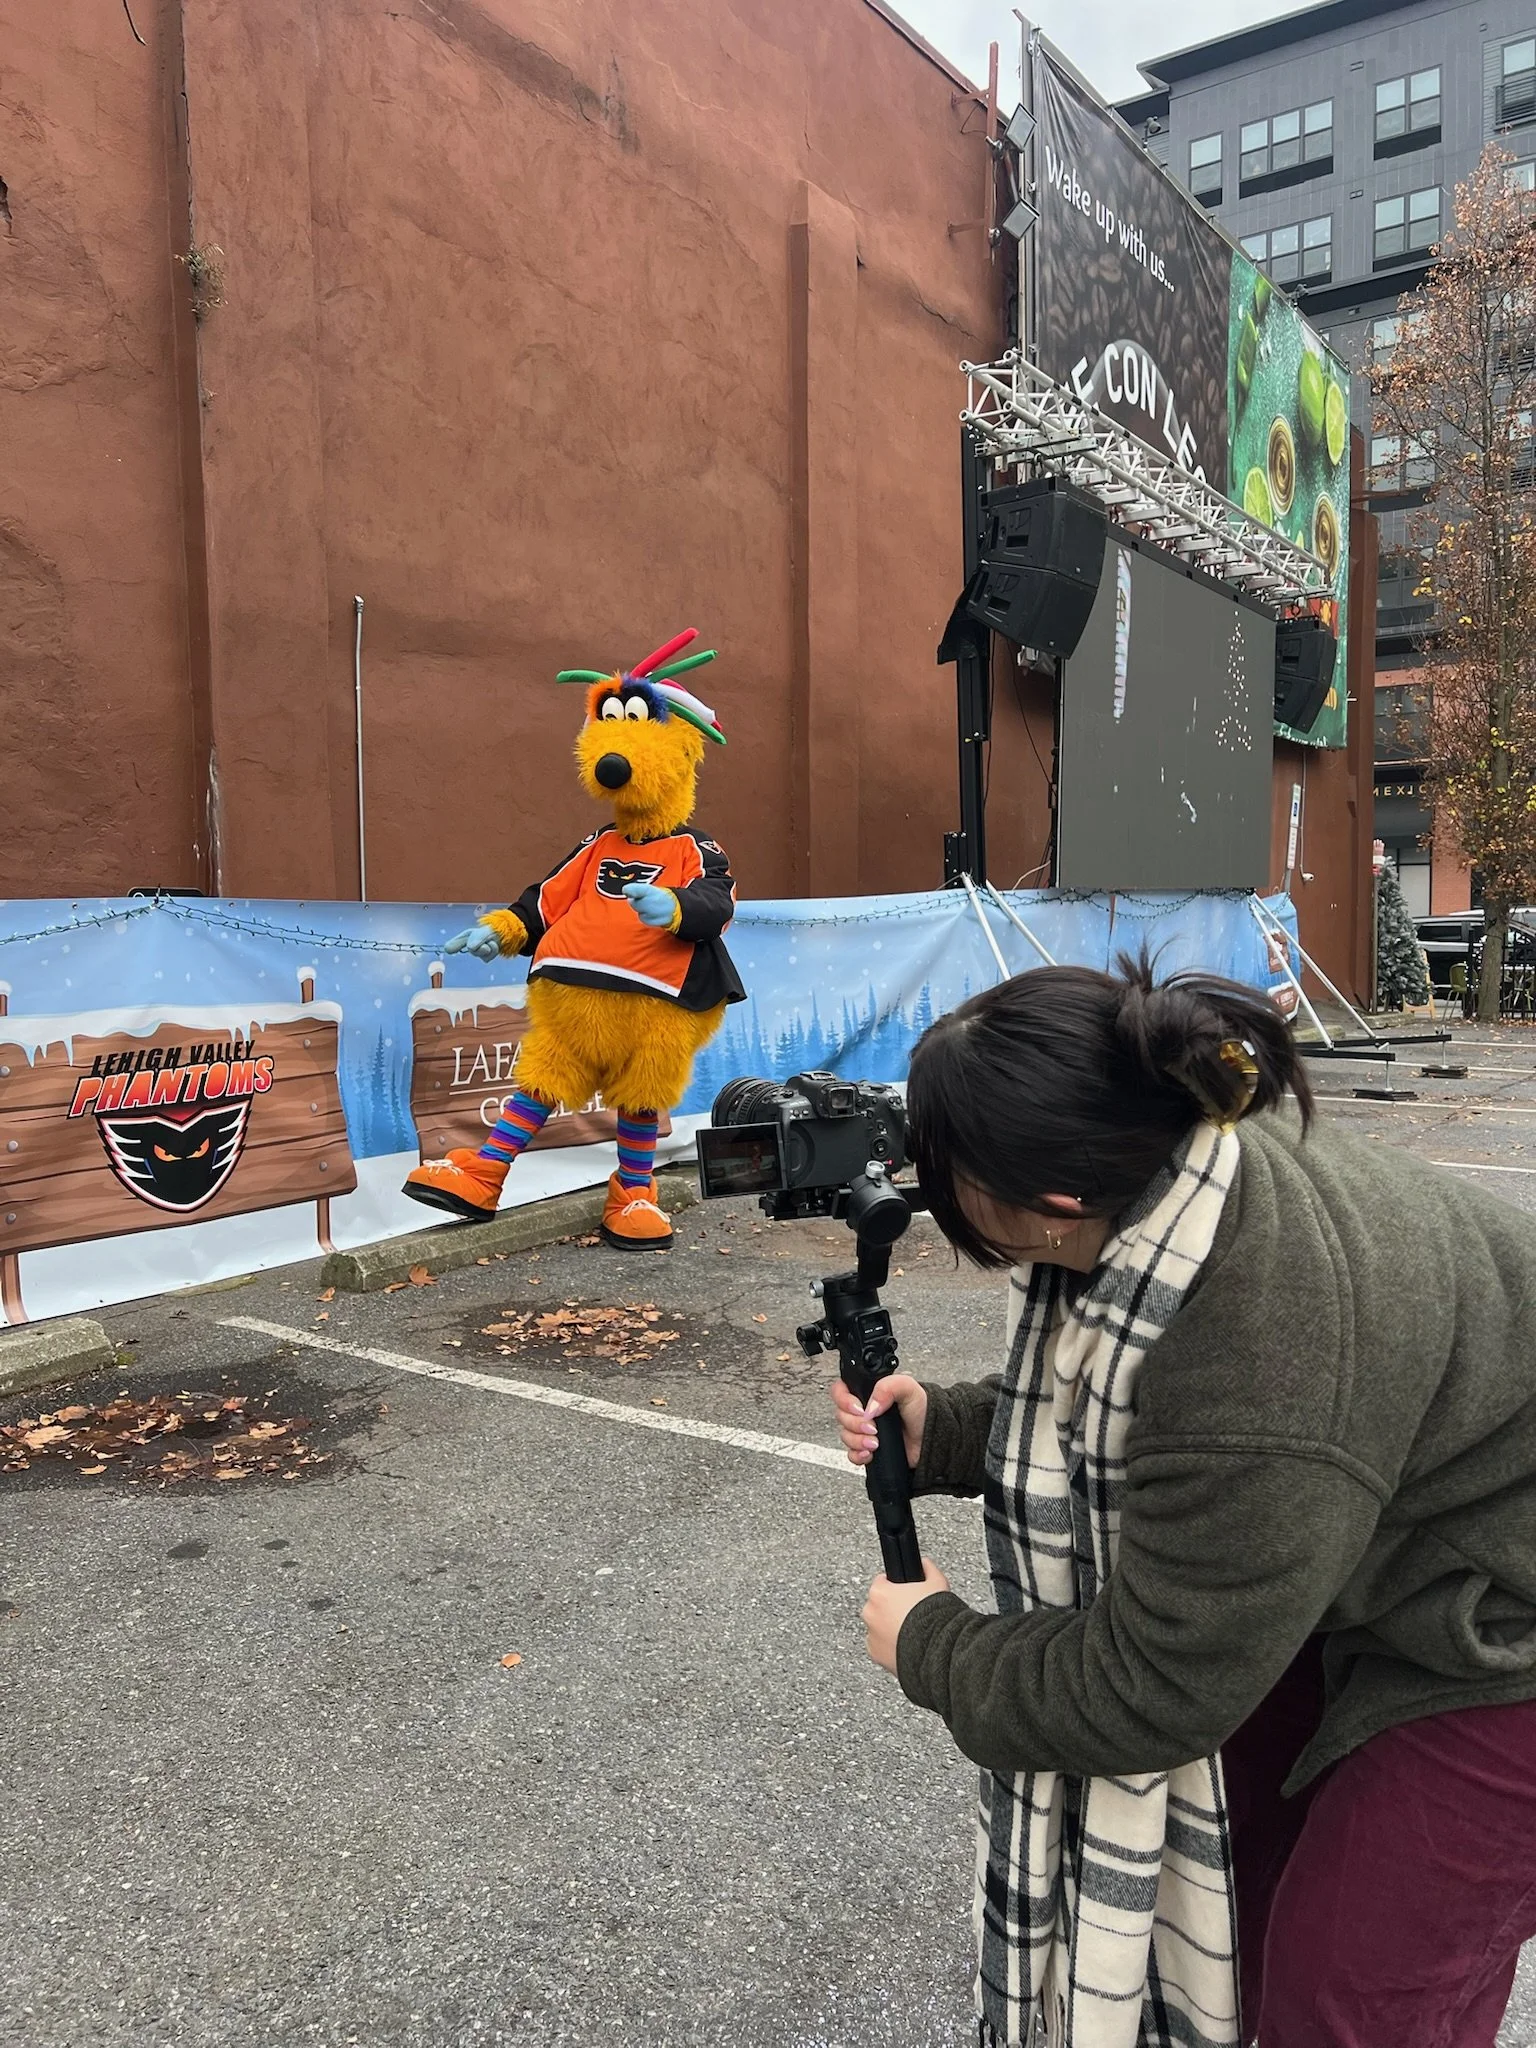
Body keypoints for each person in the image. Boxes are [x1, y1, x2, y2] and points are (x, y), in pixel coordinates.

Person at [830, 955, 1536, 2048]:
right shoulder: (1185, 1137)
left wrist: (932, 1642)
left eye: (959, 1188)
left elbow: (1150, 1687)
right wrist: (951, 1427)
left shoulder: (1263, 1342)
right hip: (1379, 1525)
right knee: (1233, 1872)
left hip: (1511, 1618)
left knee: (1354, 1992)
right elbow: (1133, 1412)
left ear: (1059, 1203)